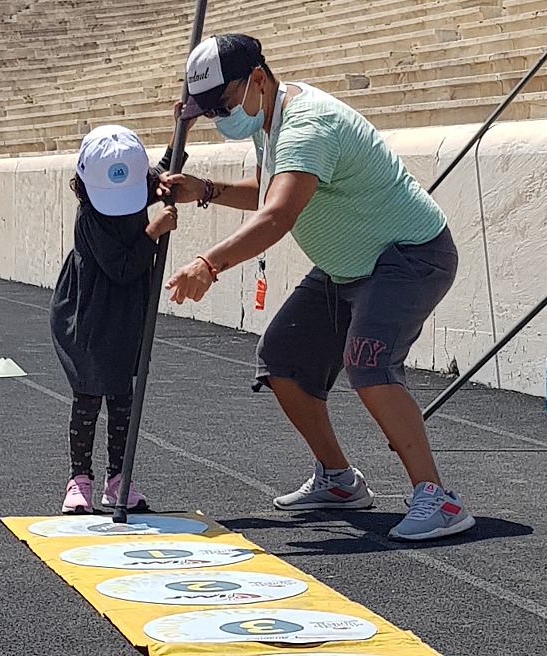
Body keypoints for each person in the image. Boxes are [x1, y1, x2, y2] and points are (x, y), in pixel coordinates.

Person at [160, 34, 473, 541]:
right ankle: (339, 481)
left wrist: (208, 263)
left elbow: (280, 213)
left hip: (408, 256)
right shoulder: (270, 119)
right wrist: (207, 190)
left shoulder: (308, 126)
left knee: (369, 363)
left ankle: (439, 499)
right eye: (209, 112)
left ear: (257, 79)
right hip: (347, 266)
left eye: (221, 106)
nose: (219, 120)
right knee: (282, 357)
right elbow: (268, 192)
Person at [51, 124, 181, 514]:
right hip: (89, 312)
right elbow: (122, 267)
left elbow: (161, 172)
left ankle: (118, 478)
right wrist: (154, 232)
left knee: (124, 396)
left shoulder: (138, 185)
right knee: (89, 394)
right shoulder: (90, 217)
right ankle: (79, 479)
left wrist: (181, 132)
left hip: (127, 311)